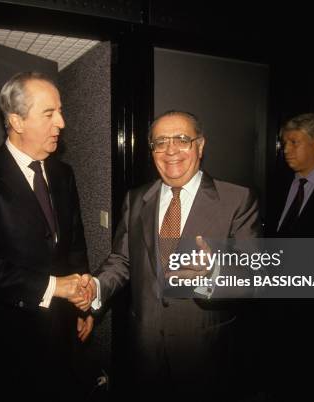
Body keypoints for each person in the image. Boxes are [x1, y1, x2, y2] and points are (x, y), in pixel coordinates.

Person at [85, 110, 261, 396]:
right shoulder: (136, 199)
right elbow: (122, 260)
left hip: (205, 351)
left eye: (181, 139)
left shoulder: (237, 199)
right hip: (145, 348)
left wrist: (213, 275)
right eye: (160, 142)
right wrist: (94, 288)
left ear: (200, 145)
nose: (170, 151)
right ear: (151, 150)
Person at [0, 72, 94, 393]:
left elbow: (74, 243)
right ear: (17, 121)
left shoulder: (64, 173)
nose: (61, 122)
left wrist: (81, 302)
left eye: (60, 111)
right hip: (3, 340)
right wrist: (55, 287)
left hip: (58, 332)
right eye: (49, 113)